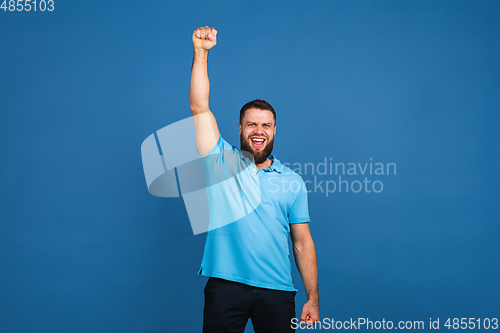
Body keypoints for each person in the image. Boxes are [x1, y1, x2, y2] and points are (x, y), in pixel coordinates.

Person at [190, 26, 320, 333]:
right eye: (251, 124)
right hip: (226, 287)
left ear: (275, 131)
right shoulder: (220, 160)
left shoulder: (292, 182)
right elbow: (199, 107)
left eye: (266, 125)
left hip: (277, 291)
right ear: (239, 129)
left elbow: (302, 243)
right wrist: (201, 52)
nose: (258, 130)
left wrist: (312, 298)